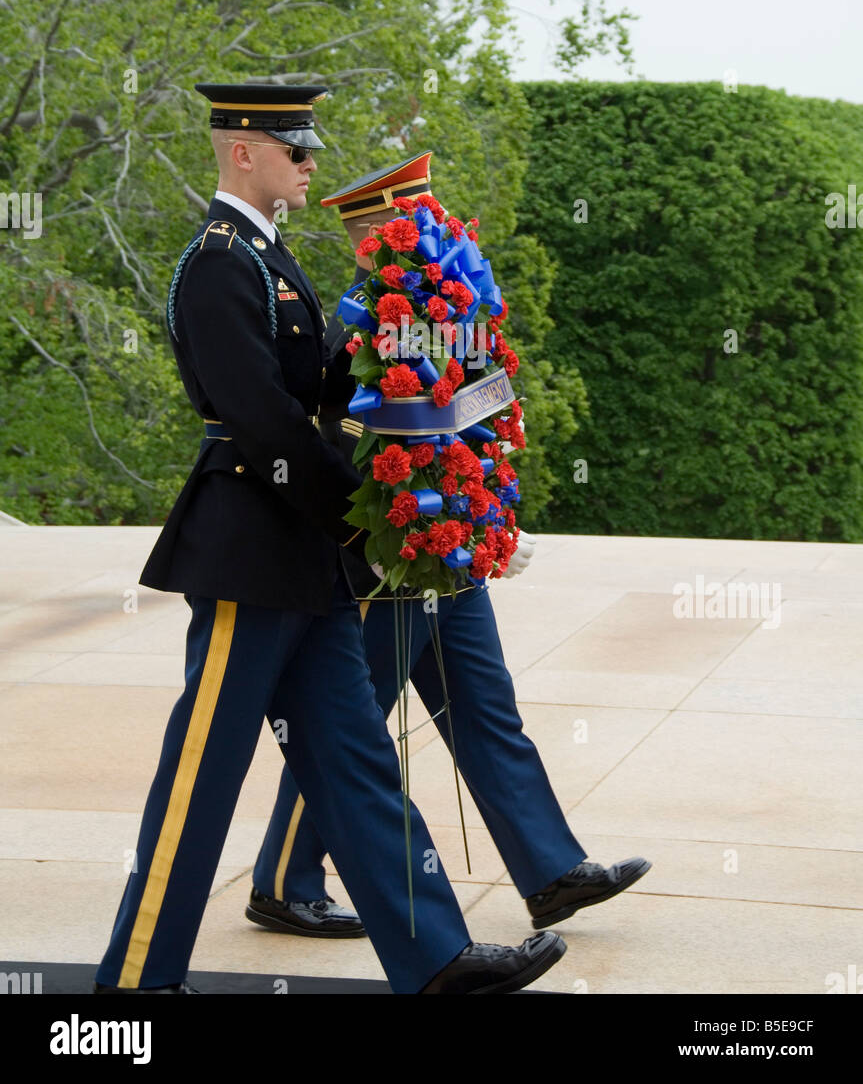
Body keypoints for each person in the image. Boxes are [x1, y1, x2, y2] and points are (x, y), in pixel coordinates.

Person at [92, 85, 566, 995]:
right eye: (292, 148)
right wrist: (366, 511)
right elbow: (264, 419)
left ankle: (436, 959)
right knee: (203, 774)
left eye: (307, 148)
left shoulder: (271, 257)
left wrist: (418, 340)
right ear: (241, 151)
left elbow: (327, 390)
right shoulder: (218, 263)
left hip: (303, 554)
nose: (309, 163)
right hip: (250, 548)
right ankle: (135, 985)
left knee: (356, 761)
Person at [244, 152, 651, 942]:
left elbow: (468, 415)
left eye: (429, 217)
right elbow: (353, 431)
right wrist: (406, 521)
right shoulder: (369, 316)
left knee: (486, 710)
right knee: (347, 727)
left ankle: (548, 871)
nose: (428, 231)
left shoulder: (436, 307)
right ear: (374, 231)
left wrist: (486, 516)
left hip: (449, 546)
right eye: (409, 219)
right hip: (390, 553)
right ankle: (285, 881)